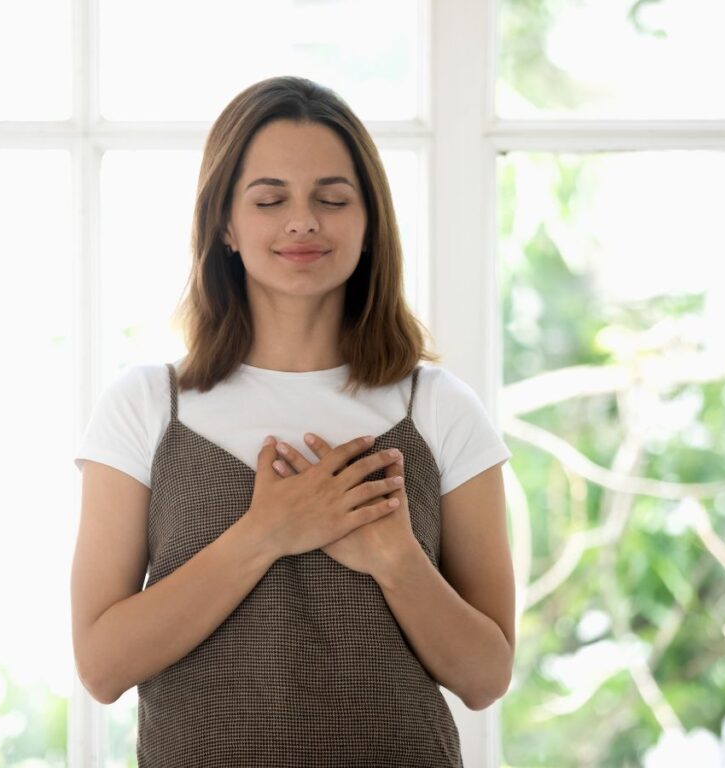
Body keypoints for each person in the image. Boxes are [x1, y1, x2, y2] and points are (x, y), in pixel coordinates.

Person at [71, 75, 515, 768]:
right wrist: (267, 533)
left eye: (332, 200)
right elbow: (101, 667)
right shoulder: (146, 406)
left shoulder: (439, 409)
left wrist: (396, 560)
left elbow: (486, 677)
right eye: (270, 199)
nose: (303, 222)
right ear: (225, 224)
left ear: (369, 224)